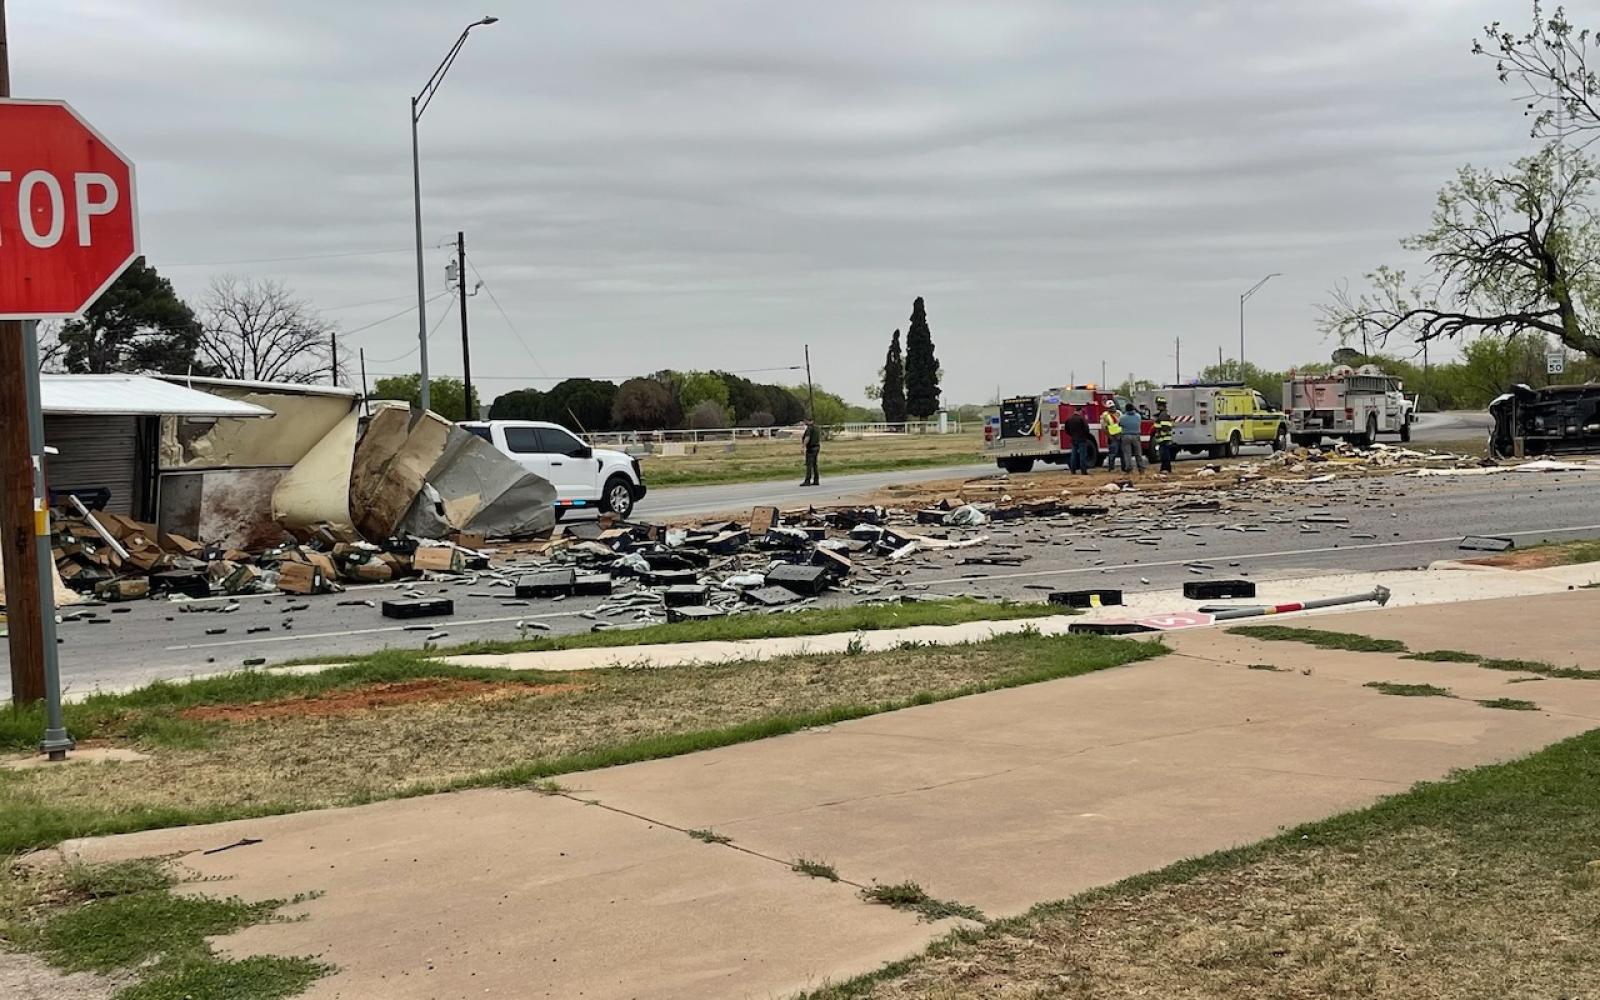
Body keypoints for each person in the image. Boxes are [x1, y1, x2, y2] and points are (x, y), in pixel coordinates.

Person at [1119, 400, 1147, 474]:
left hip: (1125, 436)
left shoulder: (1122, 417)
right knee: (1138, 453)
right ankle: (1141, 469)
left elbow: (1120, 424)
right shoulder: (1138, 416)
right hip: (1136, 435)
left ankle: (1129, 469)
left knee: (1127, 454)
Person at [1064, 406, 1093, 475]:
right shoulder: (1081, 419)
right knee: (1082, 456)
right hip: (1082, 439)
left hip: (1073, 439)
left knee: (1073, 455)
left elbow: (1066, 430)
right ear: (1079, 411)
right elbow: (1086, 429)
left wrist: (1072, 435)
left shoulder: (1069, 419)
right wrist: (1085, 436)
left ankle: (1073, 471)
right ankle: (1083, 471)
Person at [1153, 396, 1176, 474]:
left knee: (1164, 454)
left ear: (1161, 405)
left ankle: (1166, 468)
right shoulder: (1163, 414)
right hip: (1163, 438)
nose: (1157, 406)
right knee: (1164, 454)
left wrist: (1158, 430)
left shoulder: (1163, 415)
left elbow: (1165, 427)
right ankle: (1164, 468)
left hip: (1163, 438)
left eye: (1158, 404)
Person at [1100, 402, 1122, 471]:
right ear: (1108, 408)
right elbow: (1104, 427)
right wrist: (1109, 436)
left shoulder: (1119, 413)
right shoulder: (1105, 415)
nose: (1113, 408)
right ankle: (1111, 467)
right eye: (1111, 407)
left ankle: (1124, 468)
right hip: (1113, 436)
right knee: (1112, 453)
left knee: (1123, 452)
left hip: (1121, 435)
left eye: (1113, 407)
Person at [800, 418, 821, 486]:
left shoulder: (809, 428)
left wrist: (803, 446)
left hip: (811, 448)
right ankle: (816, 480)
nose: (805, 422)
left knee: (809, 465)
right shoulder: (817, 428)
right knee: (815, 464)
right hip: (817, 447)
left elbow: (807, 438)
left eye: (806, 421)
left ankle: (807, 480)